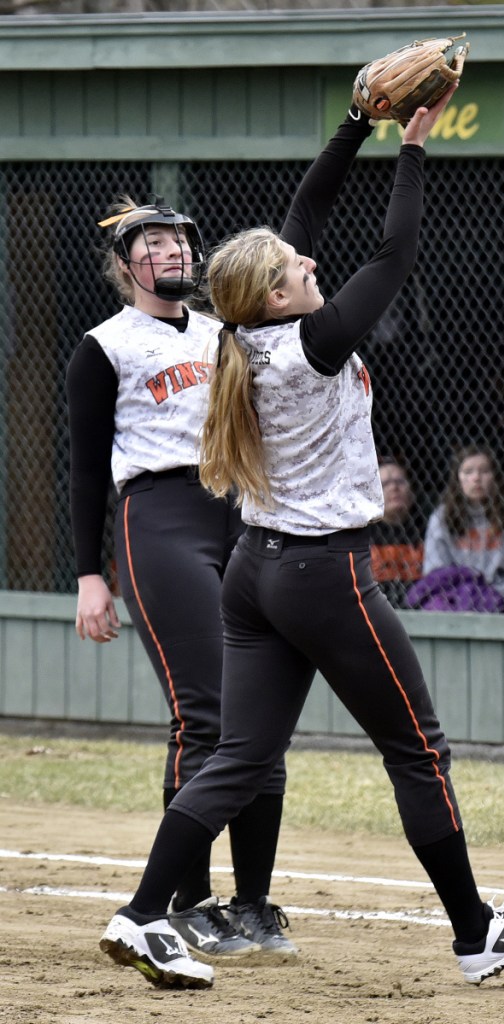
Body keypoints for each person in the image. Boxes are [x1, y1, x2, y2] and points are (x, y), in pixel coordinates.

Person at [99, 87, 504, 990]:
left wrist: (357, 123)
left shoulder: (241, 332)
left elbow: (305, 214)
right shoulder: (309, 344)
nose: (309, 260)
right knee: (418, 750)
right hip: (324, 576)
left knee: (239, 754)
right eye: (293, 267)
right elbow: (396, 253)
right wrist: (415, 148)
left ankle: (143, 914)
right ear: (274, 295)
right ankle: (477, 935)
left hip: (254, 573)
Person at [65, 195, 296, 967]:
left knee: (262, 715)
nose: (170, 251)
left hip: (238, 509)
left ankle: (254, 905)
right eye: (152, 242)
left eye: (177, 239)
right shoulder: (105, 345)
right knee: (207, 715)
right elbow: (86, 466)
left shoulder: (225, 334)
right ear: (126, 265)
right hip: (157, 516)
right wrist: (88, 574)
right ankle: (188, 906)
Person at [407, 444, 504, 612]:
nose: (476, 478)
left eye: (484, 471)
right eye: (468, 472)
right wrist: (462, 597)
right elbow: (436, 573)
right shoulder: (441, 518)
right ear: (458, 478)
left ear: (496, 477)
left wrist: (491, 597)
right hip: (453, 604)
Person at [370, 457, 424, 608]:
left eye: (400, 482)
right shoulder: (363, 533)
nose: (394, 487)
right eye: (385, 484)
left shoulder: (426, 529)